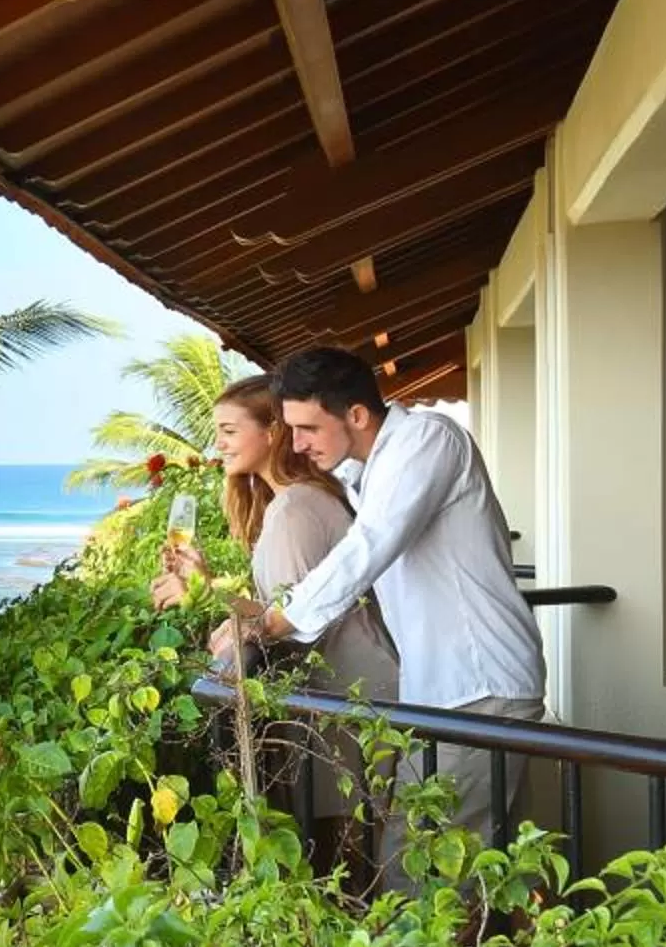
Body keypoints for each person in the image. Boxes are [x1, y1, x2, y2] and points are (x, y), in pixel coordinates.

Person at [214, 346, 547, 871]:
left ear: (357, 416)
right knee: (477, 875)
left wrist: (274, 621)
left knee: (415, 873)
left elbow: (366, 548)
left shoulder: (428, 441)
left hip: (479, 688)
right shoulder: (368, 471)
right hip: (445, 693)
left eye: (307, 429)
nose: (296, 446)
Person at [152, 374, 397, 855]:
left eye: (228, 430)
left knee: (347, 849)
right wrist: (210, 591)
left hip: (346, 693)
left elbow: (299, 621)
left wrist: (204, 596)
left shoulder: (295, 507)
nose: (218, 444)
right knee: (347, 844)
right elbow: (286, 608)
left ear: (272, 432)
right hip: (341, 693)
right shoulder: (289, 502)